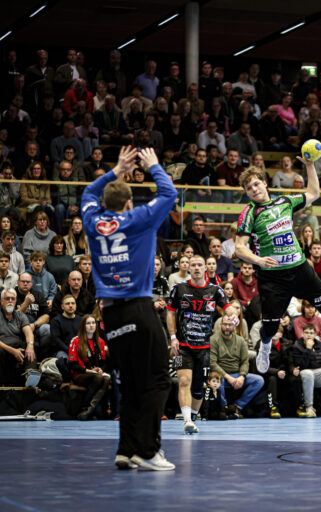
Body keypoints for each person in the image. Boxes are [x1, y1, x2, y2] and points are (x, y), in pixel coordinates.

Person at [81, 146, 177, 471]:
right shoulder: (139, 219)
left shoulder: (91, 221)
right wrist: (153, 164)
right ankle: (148, 452)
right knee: (159, 379)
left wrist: (115, 169)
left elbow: (87, 192)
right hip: (138, 306)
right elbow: (169, 192)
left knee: (131, 384)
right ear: (127, 204)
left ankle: (126, 449)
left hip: (110, 313)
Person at [235, 156, 321, 376]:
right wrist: (259, 260)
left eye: (256, 184)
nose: (253, 189)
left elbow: (314, 193)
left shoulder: (285, 202)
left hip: (299, 270)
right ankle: (265, 347)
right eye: (248, 188)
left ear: (265, 183)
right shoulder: (249, 213)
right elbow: (239, 247)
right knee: (269, 326)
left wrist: (309, 166)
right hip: (272, 277)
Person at [167, 255, 229, 434]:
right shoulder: (178, 289)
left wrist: (231, 314)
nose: (196, 268)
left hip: (204, 347)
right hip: (181, 346)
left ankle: (193, 418)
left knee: (198, 388)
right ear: (188, 268)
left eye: (199, 265)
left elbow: (228, 307)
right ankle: (186, 419)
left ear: (206, 268)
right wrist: (172, 337)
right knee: (184, 381)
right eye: (192, 265)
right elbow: (170, 313)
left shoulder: (215, 290)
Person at [210, 314, 265, 419]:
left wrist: (242, 376)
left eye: (230, 325)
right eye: (225, 324)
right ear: (221, 325)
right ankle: (224, 407)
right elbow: (213, 363)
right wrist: (228, 377)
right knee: (215, 381)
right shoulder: (214, 340)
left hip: (236, 374)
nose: (227, 327)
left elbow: (245, 361)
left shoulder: (240, 341)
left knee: (259, 380)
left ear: (234, 326)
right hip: (221, 375)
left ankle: (237, 406)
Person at [0, 288, 36, 386]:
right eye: (7, 298)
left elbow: (28, 331)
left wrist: (30, 345)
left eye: (12, 299)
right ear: (1, 301)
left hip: (15, 344)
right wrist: (13, 351)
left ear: (16, 301)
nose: (10, 301)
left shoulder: (20, 315)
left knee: (29, 347)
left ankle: (30, 376)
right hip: (0, 346)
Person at [68, 314, 111, 420]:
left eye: (93, 323)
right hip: (80, 374)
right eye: (88, 323)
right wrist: (89, 371)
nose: (91, 326)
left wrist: (100, 369)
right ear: (83, 326)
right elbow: (72, 364)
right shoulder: (76, 341)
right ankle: (85, 408)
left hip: (94, 374)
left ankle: (88, 411)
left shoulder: (100, 341)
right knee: (99, 378)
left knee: (106, 378)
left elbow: (103, 362)